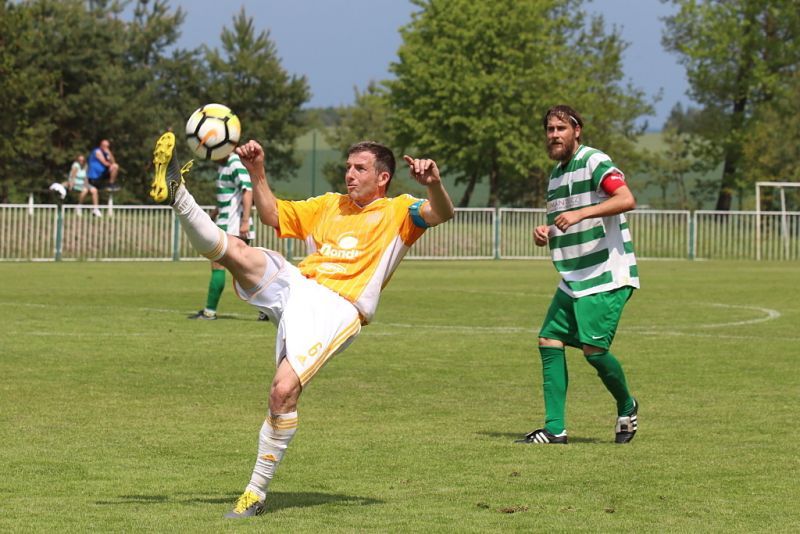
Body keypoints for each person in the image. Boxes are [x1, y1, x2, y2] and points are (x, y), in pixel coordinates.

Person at [148, 131, 455, 518]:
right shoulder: (329, 205)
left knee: (281, 393)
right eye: (348, 167)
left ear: (383, 178)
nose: (350, 175)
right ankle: (178, 194)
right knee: (237, 253)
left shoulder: (400, 211)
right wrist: (257, 172)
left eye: (360, 169)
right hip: (299, 284)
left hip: (337, 307)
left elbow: (441, 213)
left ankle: (254, 493)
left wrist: (434, 185)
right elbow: (272, 215)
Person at [517, 104, 639, 446]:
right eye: (550, 129)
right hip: (574, 277)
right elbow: (564, 222)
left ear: (577, 130)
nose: (554, 134)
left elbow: (626, 199)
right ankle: (555, 430)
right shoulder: (556, 175)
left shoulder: (594, 161)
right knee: (548, 340)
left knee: (593, 351)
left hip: (606, 273)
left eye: (561, 128)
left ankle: (627, 406)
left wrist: (583, 213)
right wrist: (546, 233)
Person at [187, 151, 255, 320]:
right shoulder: (224, 165)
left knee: (220, 266)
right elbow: (227, 199)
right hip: (230, 225)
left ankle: (209, 312)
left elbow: (247, 191)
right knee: (247, 272)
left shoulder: (234, 163)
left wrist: (245, 221)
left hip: (233, 226)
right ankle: (265, 311)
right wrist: (212, 215)